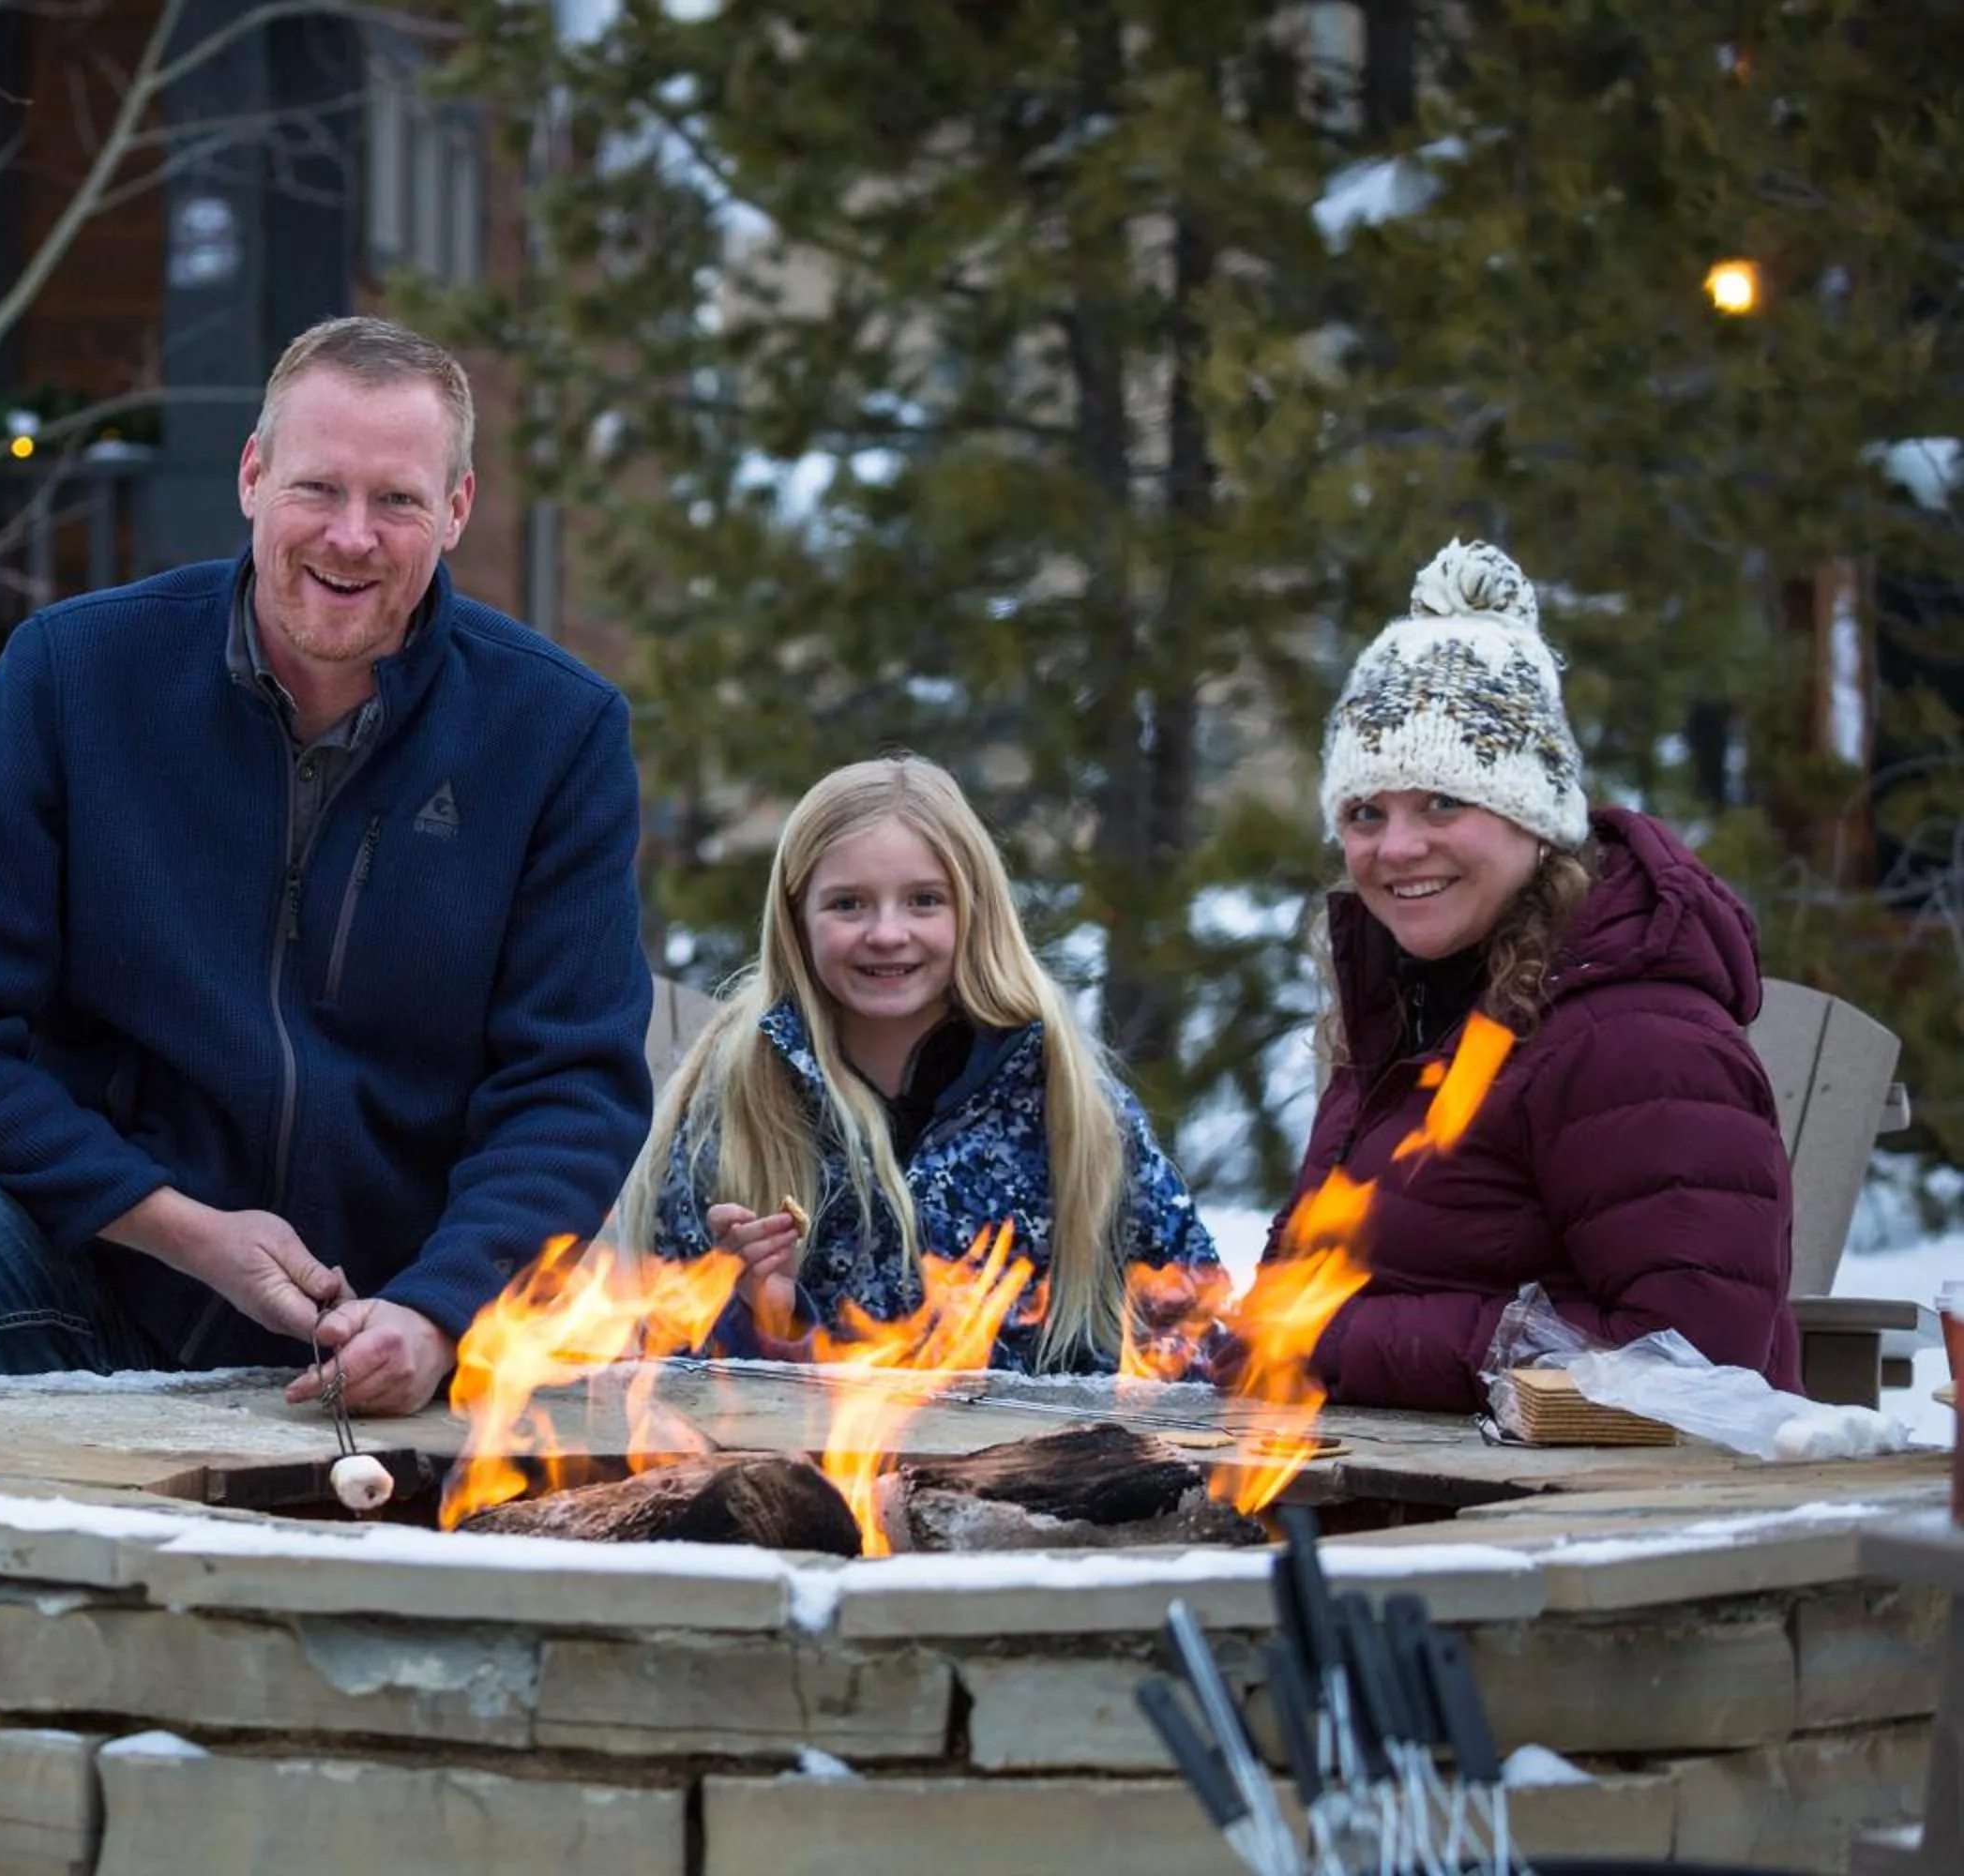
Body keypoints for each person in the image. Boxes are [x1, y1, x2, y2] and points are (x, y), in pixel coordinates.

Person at [0, 315, 654, 1417]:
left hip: (392, 1327)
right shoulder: (75, 676)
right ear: (252, 476)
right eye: (317, 488)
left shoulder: (555, 732)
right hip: (93, 1278)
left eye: (395, 499)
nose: (351, 536)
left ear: (457, 508)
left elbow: (570, 1086)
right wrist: (179, 1226)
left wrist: (439, 1309)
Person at [1279, 537, 1802, 1413]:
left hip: (1620, 1526)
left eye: (1443, 801)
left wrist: (1334, 1341)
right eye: (1366, 812)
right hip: (1407, 1490)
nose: (1397, 846)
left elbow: (1698, 1360)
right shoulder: (1412, 1006)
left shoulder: (1635, 1037)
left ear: (1535, 817)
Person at [617, 755, 1220, 1372]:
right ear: (796, 919)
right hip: (798, 1468)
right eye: (848, 904)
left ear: (973, 910)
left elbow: (1189, 1347)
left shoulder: (1071, 1103)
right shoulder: (732, 1108)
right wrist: (768, 1319)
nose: (886, 932)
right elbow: (656, 1388)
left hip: (1042, 1466)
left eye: (924, 901)